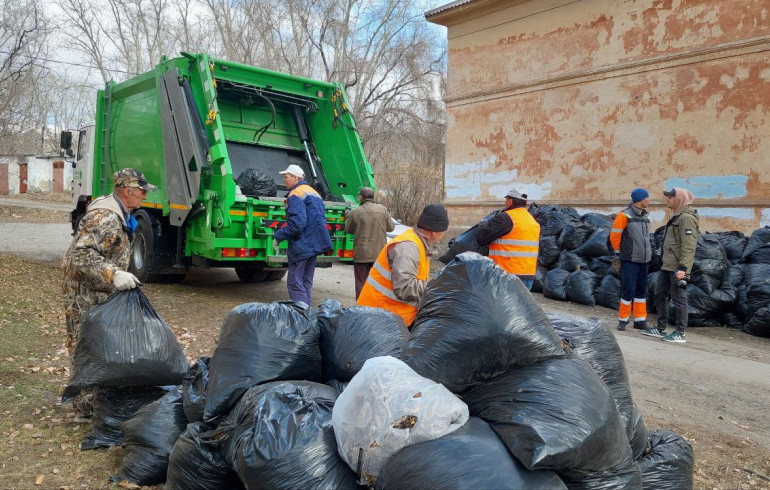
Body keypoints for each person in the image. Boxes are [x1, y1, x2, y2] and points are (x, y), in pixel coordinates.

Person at [62, 168, 155, 417]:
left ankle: (98, 402)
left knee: (102, 345)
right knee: (85, 344)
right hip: (84, 291)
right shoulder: (104, 217)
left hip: (101, 290)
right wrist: (112, 274)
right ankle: (85, 407)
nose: (145, 195)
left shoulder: (123, 214)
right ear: (127, 191)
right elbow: (80, 255)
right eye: (141, 191)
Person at [357, 204, 448, 326]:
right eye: (443, 232)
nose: (443, 235)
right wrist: (437, 287)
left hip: (388, 316)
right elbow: (404, 287)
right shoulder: (408, 247)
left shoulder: (418, 242)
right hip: (379, 319)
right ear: (433, 233)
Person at [273, 164, 332, 306]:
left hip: (302, 244)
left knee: (295, 283)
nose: (284, 180)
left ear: (295, 177)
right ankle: (307, 316)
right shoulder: (313, 192)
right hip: (314, 244)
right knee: (305, 282)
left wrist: (279, 235)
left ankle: (301, 316)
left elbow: (297, 223)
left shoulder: (295, 195)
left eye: (286, 177)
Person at [649, 187, 699, 343]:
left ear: (678, 199)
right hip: (667, 265)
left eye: (670, 198)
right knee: (659, 293)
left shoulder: (686, 218)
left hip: (677, 267)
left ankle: (680, 332)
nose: (667, 200)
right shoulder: (677, 216)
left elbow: (689, 245)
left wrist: (683, 268)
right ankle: (661, 327)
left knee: (679, 299)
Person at [475, 188, 540, 289]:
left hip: (506, 275)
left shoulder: (506, 218)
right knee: (520, 305)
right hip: (528, 276)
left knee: (499, 305)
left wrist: (483, 224)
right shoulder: (532, 221)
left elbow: (482, 239)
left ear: (510, 201)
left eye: (506, 199)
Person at [610, 188, 652, 331]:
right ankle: (623, 320)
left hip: (644, 259)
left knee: (641, 291)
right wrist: (618, 254)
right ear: (640, 199)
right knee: (628, 289)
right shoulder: (624, 215)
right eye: (647, 198)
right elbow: (615, 236)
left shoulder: (646, 216)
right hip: (630, 259)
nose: (649, 200)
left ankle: (640, 320)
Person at [344, 187, 395, 298]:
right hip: (379, 254)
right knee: (377, 283)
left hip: (361, 254)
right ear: (373, 197)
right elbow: (391, 228)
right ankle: (375, 308)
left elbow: (349, 230)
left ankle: (361, 307)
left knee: (361, 282)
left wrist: (348, 216)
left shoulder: (356, 212)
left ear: (361, 198)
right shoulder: (383, 210)